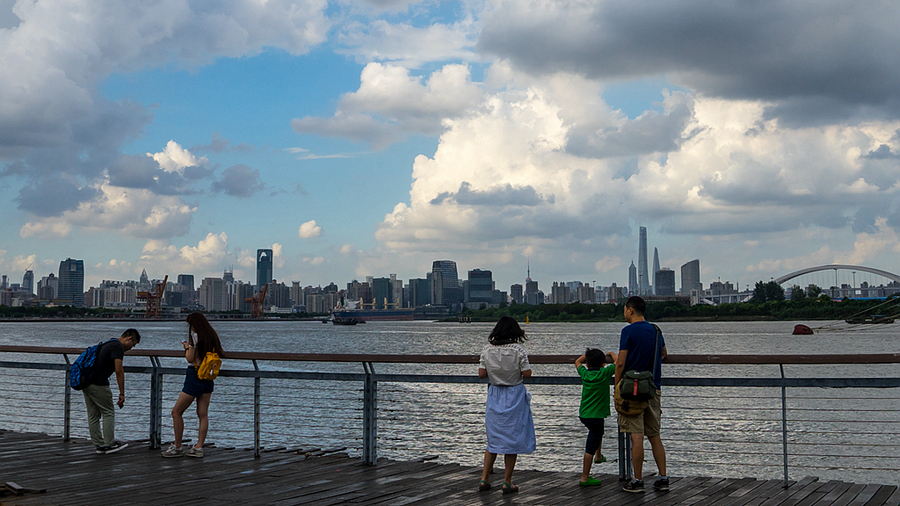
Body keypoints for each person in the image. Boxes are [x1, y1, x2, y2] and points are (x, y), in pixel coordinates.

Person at [615, 296, 669, 492]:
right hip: (652, 387)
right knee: (654, 435)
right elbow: (664, 353)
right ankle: (663, 477)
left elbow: (620, 363)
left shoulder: (627, 331)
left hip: (631, 391)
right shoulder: (655, 330)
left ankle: (637, 480)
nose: (624, 313)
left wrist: (616, 386)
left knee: (636, 436)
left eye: (624, 309)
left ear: (630, 310)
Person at [477, 316, 535, 494]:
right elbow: (527, 373)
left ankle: (484, 478)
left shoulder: (486, 350)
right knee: (512, 439)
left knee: (493, 439)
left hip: (495, 394)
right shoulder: (518, 350)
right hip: (514, 395)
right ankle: (507, 481)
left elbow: (481, 373)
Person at [161, 312, 225, 458]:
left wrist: (187, 347)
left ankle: (177, 446)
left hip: (195, 375)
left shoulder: (196, 337)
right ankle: (199, 447)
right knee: (203, 414)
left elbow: (190, 358)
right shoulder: (212, 336)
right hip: (208, 376)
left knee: (176, 412)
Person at [82, 328, 141, 454]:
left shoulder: (107, 343)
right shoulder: (117, 347)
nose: (131, 348)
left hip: (87, 382)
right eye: (133, 344)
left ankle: (99, 444)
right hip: (99, 384)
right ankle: (109, 444)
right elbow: (119, 370)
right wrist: (122, 393)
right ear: (129, 338)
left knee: (93, 415)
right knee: (108, 412)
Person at [575, 347, 617, 486]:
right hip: (596, 414)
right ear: (603, 364)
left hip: (585, 414)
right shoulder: (604, 373)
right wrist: (611, 354)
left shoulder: (584, 374)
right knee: (591, 445)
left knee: (598, 432)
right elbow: (619, 363)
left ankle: (599, 456)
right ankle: (585, 477)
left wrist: (586, 356)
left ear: (587, 364)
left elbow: (577, 362)